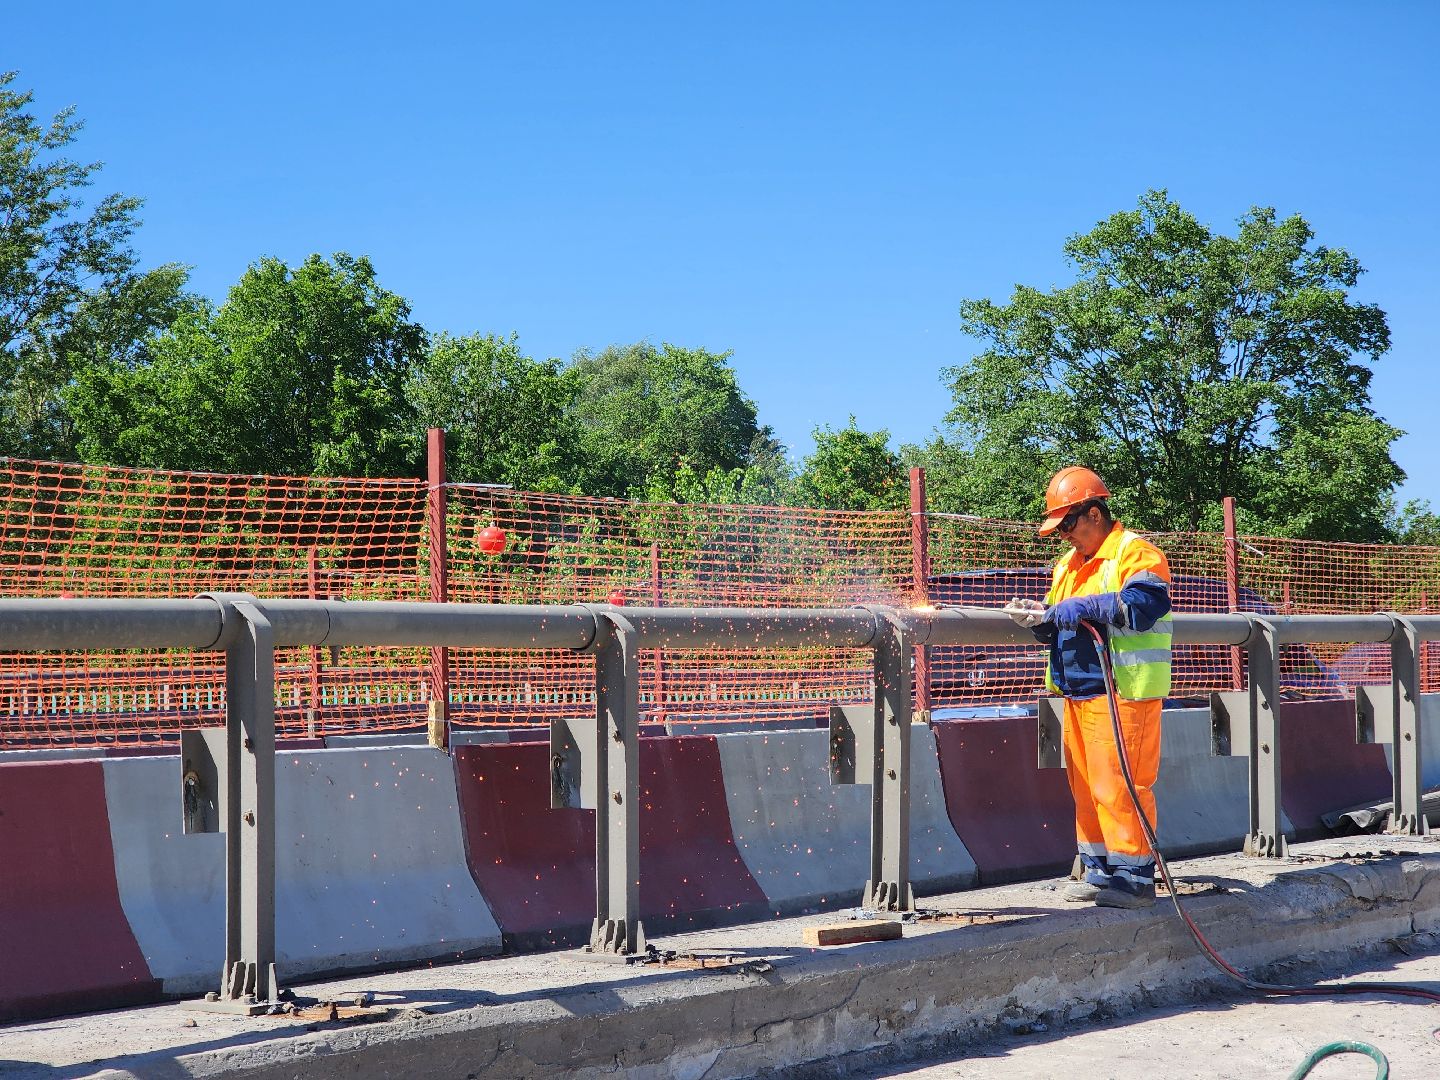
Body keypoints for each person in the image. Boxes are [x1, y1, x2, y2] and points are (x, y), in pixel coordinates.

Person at [1007, 466, 1173, 909]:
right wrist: (1040, 618)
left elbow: (1142, 606)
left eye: (1067, 525)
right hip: (1077, 692)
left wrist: (1079, 606)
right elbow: (1064, 620)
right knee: (1086, 787)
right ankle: (1099, 871)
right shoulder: (1068, 564)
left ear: (1094, 514)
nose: (1063, 536)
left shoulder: (1135, 554)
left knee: (1121, 785)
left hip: (1122, 692)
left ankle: (1135, 878)